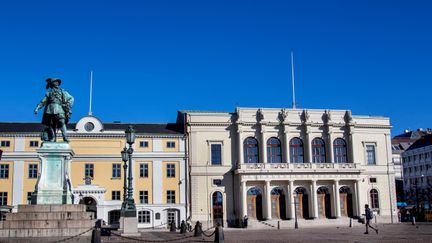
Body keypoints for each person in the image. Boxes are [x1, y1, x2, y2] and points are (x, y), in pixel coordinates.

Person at [34, 78, 74, 142]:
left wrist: (67, 105)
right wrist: (37, 108)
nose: (57, 83)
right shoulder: (49, 93)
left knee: (62, 123)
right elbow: (43, 101)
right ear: (52, 84)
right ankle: (53, 138)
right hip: (50, 109)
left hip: (59, 108)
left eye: (57, 82)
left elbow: (71, 98)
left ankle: (65, 137)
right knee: (51, 125)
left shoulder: (62, 91)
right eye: (55, 82)